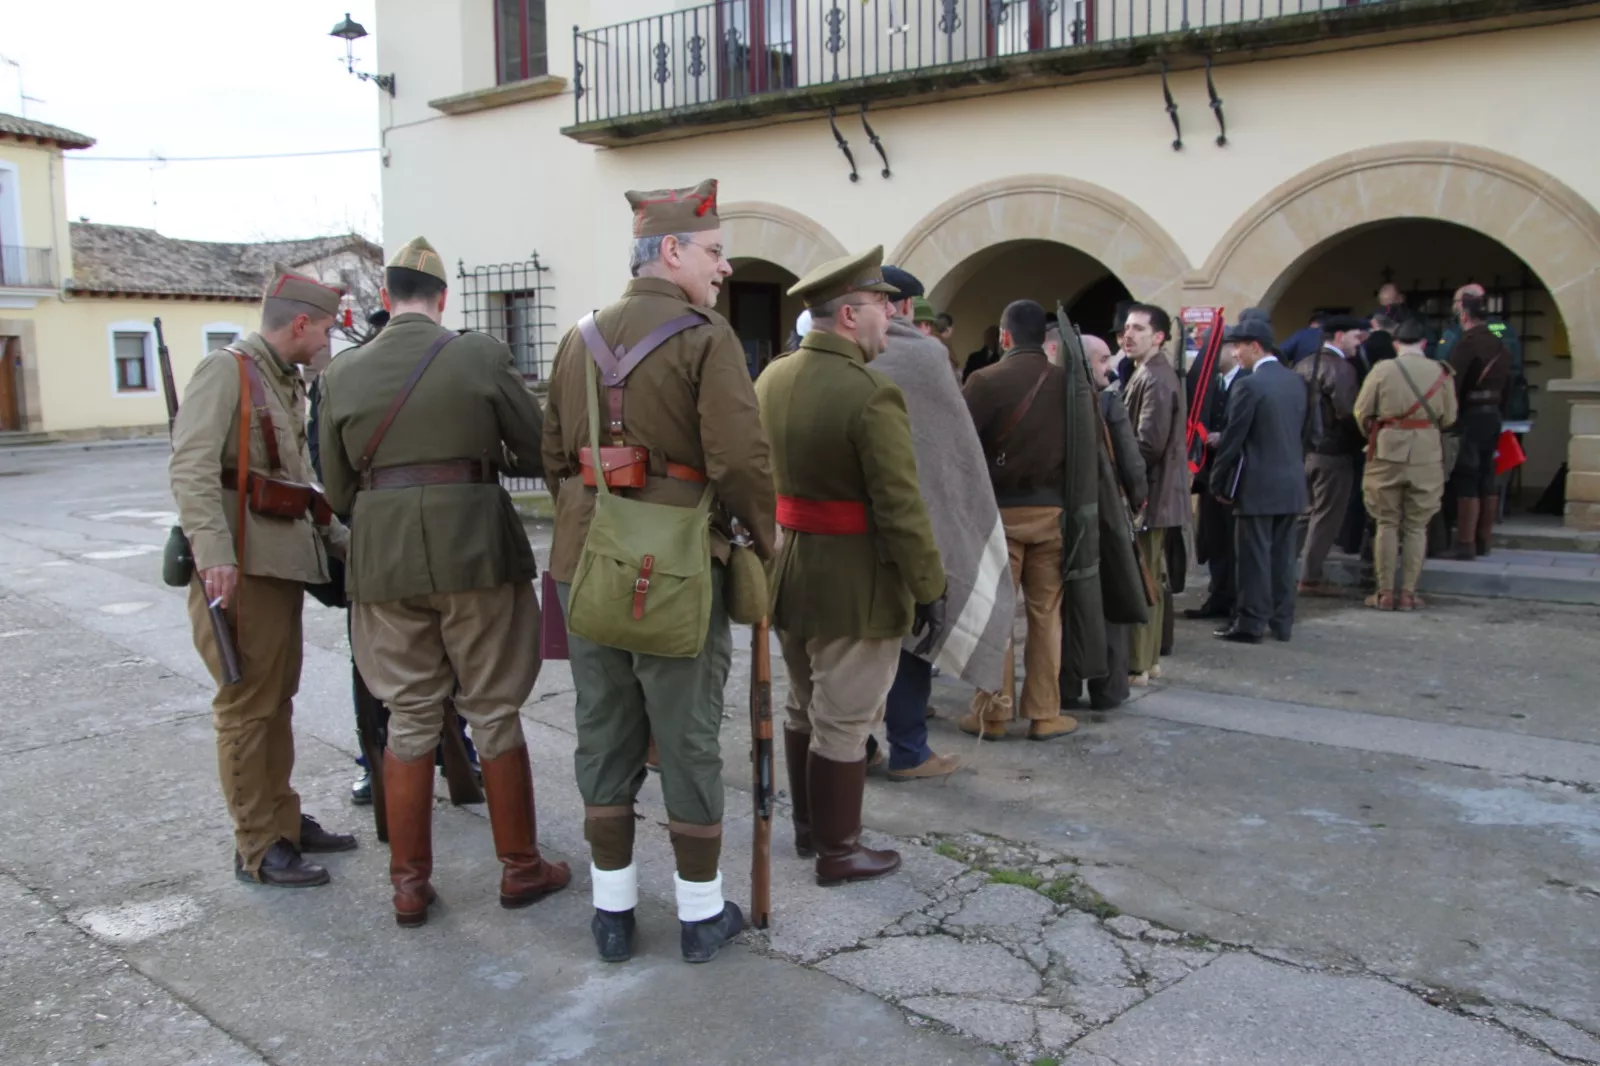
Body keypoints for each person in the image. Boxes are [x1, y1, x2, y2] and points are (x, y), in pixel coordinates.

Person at [543, 179, 777, 964]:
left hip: (585, 562)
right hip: (675, 564)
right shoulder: (707, 338)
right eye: (713, 252)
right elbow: (741, 459)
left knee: (603, 733)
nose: (724, 267)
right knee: (687, 737)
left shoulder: (577, 336)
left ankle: (612, 915)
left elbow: (552, 459)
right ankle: (699, 917)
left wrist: (600, 515)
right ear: (670, 251)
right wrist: (764, 539)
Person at [318, 237, 567, 928]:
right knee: (493, 708)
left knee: (408, 715)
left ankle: (408, 885)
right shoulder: (478, 353)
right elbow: (539, 446)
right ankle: (520, 869)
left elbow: (339, 490)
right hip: (477, 552)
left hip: (384, 559)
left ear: (385, 298)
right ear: (442, 299)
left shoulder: (342, 374)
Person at [755, 245, 946, 887]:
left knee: (804, 707)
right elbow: (900, 506)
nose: (888, 317)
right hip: (855, 581)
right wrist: (929, 585)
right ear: (848, 315)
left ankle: (811, 834)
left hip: (790, 570)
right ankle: (839, 852)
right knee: (844, 719)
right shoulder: (870, 392)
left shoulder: (773, 378)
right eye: (879, 305)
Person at [169, 272, 357, 887]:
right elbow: (191, 467)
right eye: (326, 329)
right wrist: (213, 554)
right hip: (240, 570)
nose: (329, 339)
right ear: (299, 324)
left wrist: (345, 547)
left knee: (276, 702)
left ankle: (282, 820)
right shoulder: (227, 371)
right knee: (247, 708)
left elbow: (298, 484)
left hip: (278, 566)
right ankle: (257, 844)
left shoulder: (282, 381)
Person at [871, 266, 1011, 778]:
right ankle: (910, 750)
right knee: (915, 632)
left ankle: (856, 745)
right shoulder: (927, 356)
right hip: (913, 517)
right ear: (907, 307)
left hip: (845, 526)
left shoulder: (825, 355)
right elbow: (953, 454)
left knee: (851, 642)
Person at [959, 300, 1081, 741]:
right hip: (1053, 513)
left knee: (996, 616)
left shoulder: (984, 380)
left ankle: (992, 714)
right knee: (1047, 614)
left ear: (1005, 337)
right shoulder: (1068, 382)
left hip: (999, 516)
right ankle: (1045, 713)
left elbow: (963, 447)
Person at [1059, 330, 1146, 710]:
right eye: (1102, 360)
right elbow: (1130, 460)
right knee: (1110, 596)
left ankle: (1065, 687)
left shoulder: (1055, 398)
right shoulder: (1108, 403)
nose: (1109, 370)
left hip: (1061, 513)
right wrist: (1138, 498)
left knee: (1065, 604)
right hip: (1104, 512)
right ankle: (1109, 689)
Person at [1208, 319, 1309, 643]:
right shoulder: (1296, 381)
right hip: (1291, 481)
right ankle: (1282, 622)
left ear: (1255, 346)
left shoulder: (1249, 385)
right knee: (1283, 557)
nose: (1234, 352)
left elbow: (1233, 439)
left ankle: (1251, 623)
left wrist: (1217, 479)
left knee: (1253, 559)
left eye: (1238, 346)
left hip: (1257, 484)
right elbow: (1310, 433)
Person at [1353, 317, 1459, 609]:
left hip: (1387, 450)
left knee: (1386, 522)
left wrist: (1381, 430)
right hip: (1426, 453)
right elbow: (1449, 417)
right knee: (1416, 526)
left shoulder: (1382, 369)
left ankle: (1385, 593)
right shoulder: (1441, 372)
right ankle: (1409, 595)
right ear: (1424, 343)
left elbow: (1361, 411)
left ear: (1395, 343)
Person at [1120, 303, 1186, 686]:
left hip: (1151, 497)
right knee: (1152, 576)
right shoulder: (1149, 372)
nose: (1128, 334)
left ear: (1158, 337)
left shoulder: (1157, 378)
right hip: (1156, 496)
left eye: (1138, 329)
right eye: (1127, 328)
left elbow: (1147, 445)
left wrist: (1127, 484)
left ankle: (1139, 664)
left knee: (1143, 577)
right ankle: (1149, 661)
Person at [1295, 313, 1364, 594]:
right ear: (1339, 336)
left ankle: (1281, 565)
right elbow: (1348, 413)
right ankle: (1309, 578)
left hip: (1304, 452)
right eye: (1355, 337)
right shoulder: (1342, 369)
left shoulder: (1302, 364)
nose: (1358, 343)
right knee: (1325, 517)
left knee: (1303, 515)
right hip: (1333, 453)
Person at [1185, 327, 1247, 622]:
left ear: (1232, 349)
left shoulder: (1247, 381)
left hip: (1236, 477)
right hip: (1211, 474)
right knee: (1215, 540)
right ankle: (1218, 595)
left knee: (1235, 543)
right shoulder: (1212, 384)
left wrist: (1223, 436)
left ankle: (1237, 598)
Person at [1446, 290, 1512, 560]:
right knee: (1487, 476)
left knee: (1467, 477)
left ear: (1464, 315)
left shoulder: (1466, 344)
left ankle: (1465, 544)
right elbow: (1509, 384)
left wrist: (1451, 418)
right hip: (1493, 414)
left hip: (1471, 416)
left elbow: (1452, 384)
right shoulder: (1501, 345)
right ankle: (1485, 540)